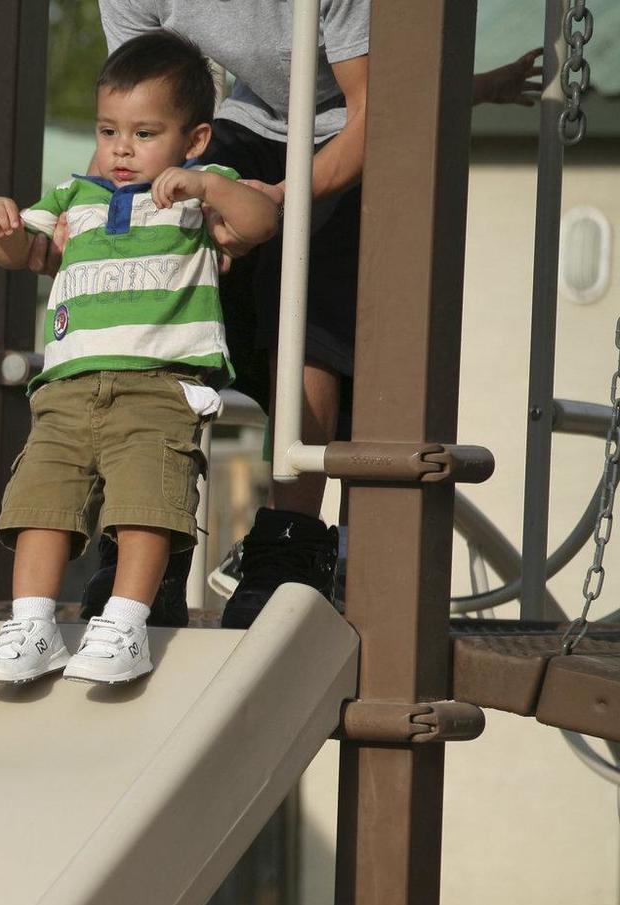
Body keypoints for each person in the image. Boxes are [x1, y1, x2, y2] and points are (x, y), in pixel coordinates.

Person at [88, 0, 539, 628]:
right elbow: (132, 123)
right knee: (157, 263)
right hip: (248, 125)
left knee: (306, 289)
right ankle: (147, 534)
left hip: (346, 129)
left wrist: (280, 199)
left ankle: (289, 544)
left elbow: (378, 103)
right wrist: (91, 223)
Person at [0, 30, 280, 684]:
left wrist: (205, 187)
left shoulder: (201, 190)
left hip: (158, 385)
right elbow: (26, 253)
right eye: (109, 130)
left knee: (147, 502)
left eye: (144, 133)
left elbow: (256, 222)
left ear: (193, 139)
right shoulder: (74, 197)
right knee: (39, 500)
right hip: (67, 387)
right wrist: (2, 227)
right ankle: (31, 622)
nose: (120, 148)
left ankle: (126, 622)